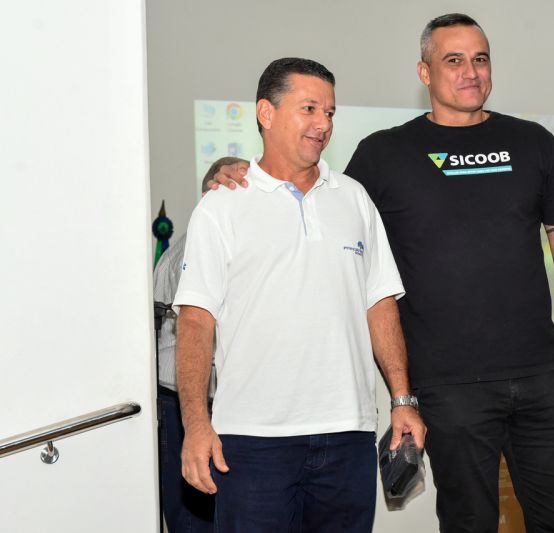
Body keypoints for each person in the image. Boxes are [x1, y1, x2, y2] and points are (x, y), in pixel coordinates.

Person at [213, 14, 554, 532]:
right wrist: (237, 171)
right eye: (454, 60)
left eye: (480, 59)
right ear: (425, 73)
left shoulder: (532, 142)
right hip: (447, 384)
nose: (470, 71)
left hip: (541, 376)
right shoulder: (384, 153)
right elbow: (321, 203)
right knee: (469, 524)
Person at [173, 57, 425, 532]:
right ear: (265, 113)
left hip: (348, 434)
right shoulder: (220, 207)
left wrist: (402, 399)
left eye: (329, 112)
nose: (323, 124)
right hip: (251, 440)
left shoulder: (354, 198)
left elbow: (380, 305)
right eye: (309, 108)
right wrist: (196, 424)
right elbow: (195, 321)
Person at [153, 156, 245, 533]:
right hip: (188, 402)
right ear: (213, 191)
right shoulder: (195, 248)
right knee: (196, 515)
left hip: (206, 399)